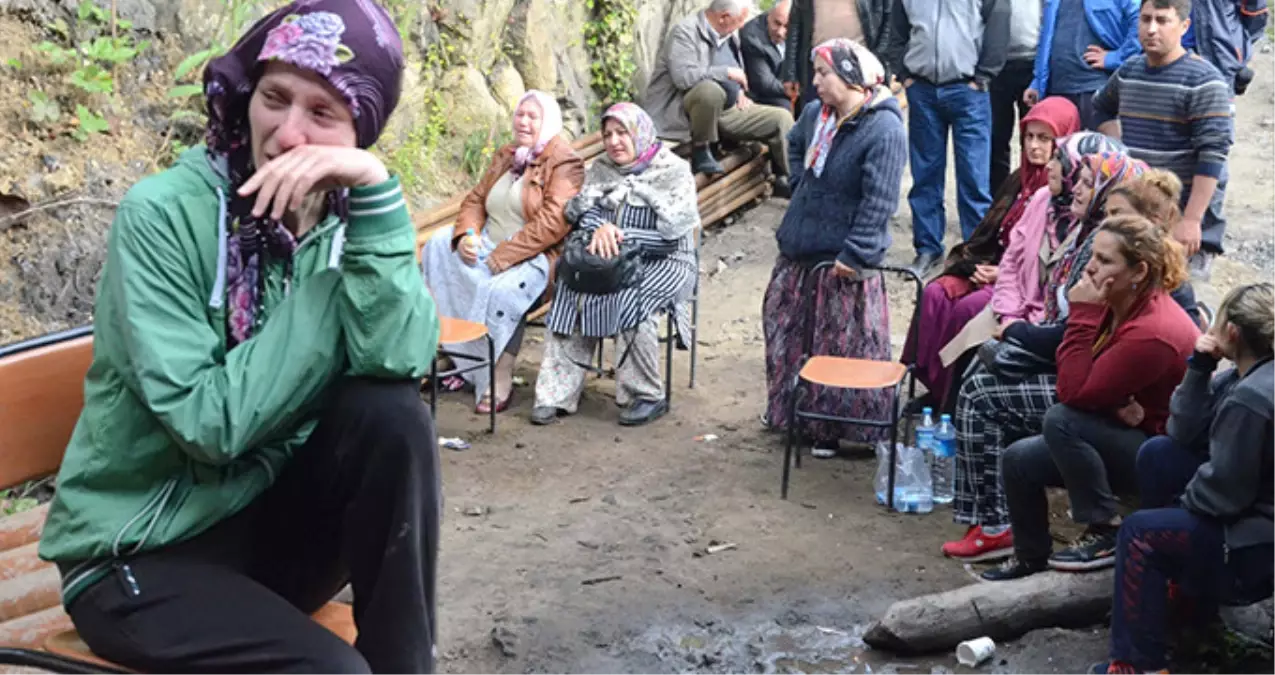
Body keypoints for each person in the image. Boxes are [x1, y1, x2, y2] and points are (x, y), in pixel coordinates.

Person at [36, 2, 442, 672]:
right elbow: (208, 424)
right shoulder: (162, 216)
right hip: (137, 555)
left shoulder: (353, 223)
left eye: (322, 113)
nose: (287, 133)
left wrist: (376, 194)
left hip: (260, 534)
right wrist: (331, 290)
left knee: (391, 413)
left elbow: (398, 358)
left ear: (359, 133)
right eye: (274, 98)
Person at [944, 148, 1148, 563]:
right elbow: (1019, 270)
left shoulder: (1122, 260)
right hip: (1070, 364)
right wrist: (1012, 320)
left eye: (1092, 186)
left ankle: (997, 525)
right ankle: (995, 523)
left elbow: (1079, 343)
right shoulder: (1083, 235)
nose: (1080, 190)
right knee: (979, 369)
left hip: (1103, 398)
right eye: (1084, 183)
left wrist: (1018, 331)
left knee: (983, 395)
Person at [987, 214, 1200, 581]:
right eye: (1092, 256)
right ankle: (1030, 558)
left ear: (1139, 271)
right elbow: (1083, 377)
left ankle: (1104, 528)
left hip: (1164, 459)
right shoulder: (1121, 302)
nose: (1090, 268)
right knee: (1019, 459)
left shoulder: (1152, 330)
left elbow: (1071, 392)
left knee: (1062, 420)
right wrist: (1115, 404)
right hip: (1128, 432)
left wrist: (1082, 316)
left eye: (1104, 260)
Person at [1091, 282, 1275, 675]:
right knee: (1159, 454)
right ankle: (1180, 596)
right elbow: (1181, 433)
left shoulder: (1252, 398)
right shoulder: (1244, 376)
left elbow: (1225, 495)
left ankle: (1138, 664)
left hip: (1255, 549)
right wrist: (1199, 367)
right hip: (1250, 519)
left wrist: (1178, 509)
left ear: (1232, 332)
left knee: (1140, 533)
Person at [763, 39, 907, 458]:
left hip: (841, 260)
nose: (816, 82)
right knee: (787, 332)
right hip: (800, 249)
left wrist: (857, 252)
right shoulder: (815, 115)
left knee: (840, 344)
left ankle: (838, 428)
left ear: (850, 77)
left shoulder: (883, 129)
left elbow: (879, 200)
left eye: (824, 73)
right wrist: (803, 187)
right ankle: (797, 417)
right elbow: (793, 143)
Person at [902, 96, 1080, 412]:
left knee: (966, 309)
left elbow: (1049, 260)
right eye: (1029, 137)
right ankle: (933, 388)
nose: (1034, 146)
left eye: (1045, 138)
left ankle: (951, 398)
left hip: (1025, 284)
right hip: (996, 266)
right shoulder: (1019, 178)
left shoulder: (1063, 192)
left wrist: (999, 274)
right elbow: (992, 233)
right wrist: (977, 264)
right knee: (935, 293)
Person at [530, 103, 700, 427]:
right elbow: (583, 213)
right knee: (570, 288)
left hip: (663, 258)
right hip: (607, 254)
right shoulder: (602, 169)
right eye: (608, 134)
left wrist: (621, 236)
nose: (614, 141)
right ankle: (555, 393)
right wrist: (600, 229)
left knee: (631, 297)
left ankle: (646, 394)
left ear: (641, 133)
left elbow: (671, 236)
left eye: (622, 133)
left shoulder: (673, 170)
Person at [420, 91, 585, 414]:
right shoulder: (508, 155)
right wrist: (467, 235)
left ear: (548, 122)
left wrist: (505, 255)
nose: (523, 122)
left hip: (534, 256)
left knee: (504, 292)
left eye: (533, 117)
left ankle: (500, 374)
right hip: (488, 245)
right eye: (520, 114)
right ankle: (457, 354)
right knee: (439, 244)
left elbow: (554, 222)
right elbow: (475, 200)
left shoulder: (565, 163)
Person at [1092, 0, 1234, 282]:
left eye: (1162, 20)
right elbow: (1101, 107)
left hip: (1179, 215)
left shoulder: (1205, 81)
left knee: (1177, 293)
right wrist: (1120, 151)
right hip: (1137, 213)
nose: (1151, 29)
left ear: (1184, 26)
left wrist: (1192, 219)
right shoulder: (1129, 72)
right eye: (1145, 19)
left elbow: (1213, 155)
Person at [885, 0, 1013, 277]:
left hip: (968, 92)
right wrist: (904, 74)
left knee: (974, 179)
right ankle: (928, 249)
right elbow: (896, 32)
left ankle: (975, 254)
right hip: (922, 90)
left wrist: (983, 76)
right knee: (925, 176)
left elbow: (998, 28)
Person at [642, 0, 795, 196]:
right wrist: (726, 73)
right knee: (709, 90)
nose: (742, 26)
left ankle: (792, 180)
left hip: (728, 110)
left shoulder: (729, 35)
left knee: (781, 118)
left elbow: (736, 68)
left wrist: (739, 91)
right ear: (724, 18)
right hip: (685, 113)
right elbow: (683, 78)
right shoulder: (684, 33)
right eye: (739, 21)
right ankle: (702, 149)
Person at [1023, 0, 1142, 130]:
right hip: (1057, 90)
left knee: (1100, 142)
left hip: (1096, 88)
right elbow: (1046, 36)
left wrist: (1116, 57)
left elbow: (1141, 19)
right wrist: (1038, 82)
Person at [781, 0, 893, 110]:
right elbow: (795, 25)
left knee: (867, 118)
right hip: (816, 68)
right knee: (815, 117)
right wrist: (790, 74)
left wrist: (877, 58)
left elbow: (889, 21)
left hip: (862, 67)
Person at [990, 0, 1043, 191]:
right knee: (996, 137)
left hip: (1034, 64)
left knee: (1034, 137)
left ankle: (1032, 194)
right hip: (996, 65)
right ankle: (999, 197)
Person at [1183, 0, 1270, 96]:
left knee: (1217, 100)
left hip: (1220, 57)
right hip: (1177, 53)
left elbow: (1256, 12)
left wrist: (1238, 44)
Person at [740, 0, 792, 110]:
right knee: (785, 108)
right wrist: (796, 89)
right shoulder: (752, 37)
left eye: (787, 27)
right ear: (769, 15)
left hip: (789, 83)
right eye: (777, 23)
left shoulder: (802, 31)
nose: (780, 32)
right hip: (764, 95)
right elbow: (765, 83)